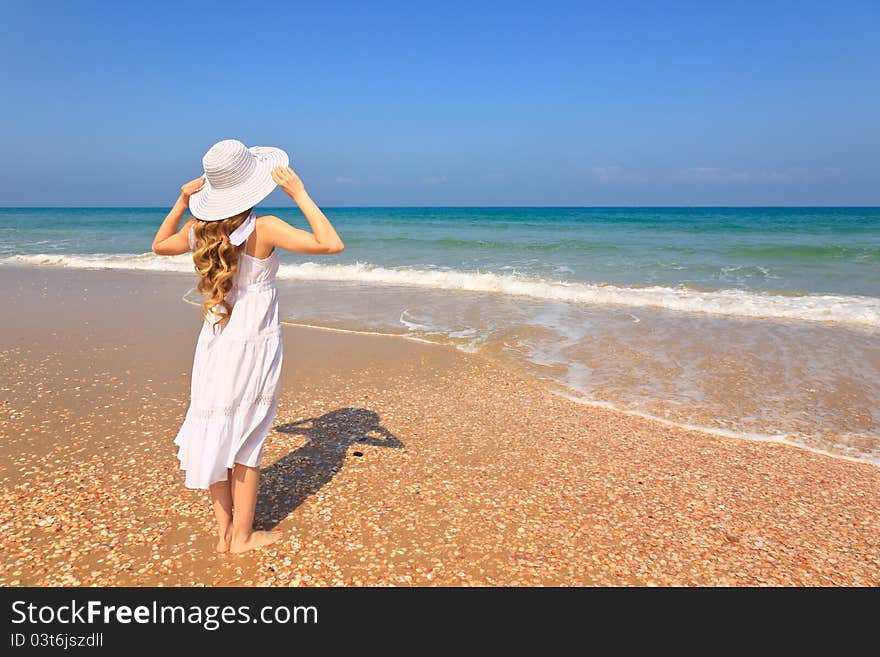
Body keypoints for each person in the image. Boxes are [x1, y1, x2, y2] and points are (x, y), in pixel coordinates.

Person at [151, 139, 344, 554]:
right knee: (248, 439)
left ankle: (224, 533)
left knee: (216, 430)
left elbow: (159, 244)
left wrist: (183, 199)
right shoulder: (266, 227)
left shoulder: (200, 231)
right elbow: (331, 243)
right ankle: (242, 537)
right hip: (254, 343)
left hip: (216, 341)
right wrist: (300, 193)